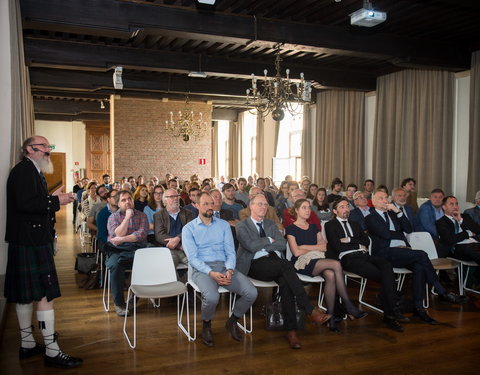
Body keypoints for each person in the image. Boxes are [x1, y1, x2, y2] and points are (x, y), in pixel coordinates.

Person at [5, 135, 82, 368]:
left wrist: (52, 199)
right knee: (44, 295)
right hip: (31, 241)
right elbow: (26, 204)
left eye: (49, 148)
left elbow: (32, 201)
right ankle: (51, 351)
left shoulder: (29, 170)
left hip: (28, 239)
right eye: (44, 148)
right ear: (29, 149)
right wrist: (56, 201)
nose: (48, 151)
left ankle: (28, 345)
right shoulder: (23, 171)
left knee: (25, 294)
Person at [236, 194, 331, 349]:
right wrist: (268, 240)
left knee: (287, 282)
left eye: (266, 204)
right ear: (251, 206)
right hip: (254, 265)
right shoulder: (242, 225)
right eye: (260, 204)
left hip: (274, 262)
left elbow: (281, 244)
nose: (264, 207)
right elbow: (250, 246)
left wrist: (265, 243)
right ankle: (309, 309)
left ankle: (291, 331)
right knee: (286, 266)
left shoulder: (270, 223)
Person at [365, 190, 466, 325]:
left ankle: (418, 308)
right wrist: (399, 234)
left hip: (402, 251)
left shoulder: (393, 214)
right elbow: (385, 235)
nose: (384, 200)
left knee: (419, 266)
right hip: (385, 252)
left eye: (385, 198)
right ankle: (441, 290)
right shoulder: (370, 217)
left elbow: (408, 228)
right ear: (374, 201)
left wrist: (398, 212)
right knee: (421, 254)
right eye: (381, 198)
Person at [182, 192, 257, 347]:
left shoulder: (223, 225)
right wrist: (211, 272)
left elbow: (230, 251)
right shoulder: (188, 229)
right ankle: (207, 324)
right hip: (202, 269)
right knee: (212, 298)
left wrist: (229, 269)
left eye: (211, 203)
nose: (210, 207)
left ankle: (232, 321)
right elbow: (193, 258)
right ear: (196, 206)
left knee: (252, 293)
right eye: (205, 204)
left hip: (223, 267)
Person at [325, 199, 407, 332]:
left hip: (364, 254)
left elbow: (366, 241)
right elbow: (337, 246)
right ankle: (391, 313)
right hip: (348, 258)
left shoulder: (355, 223)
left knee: (386, 265)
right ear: (335, 211)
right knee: (386, 277)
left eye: (347, 206)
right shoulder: (330, 225)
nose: (346, 209)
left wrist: (351, 240)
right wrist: (358, 244)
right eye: (342, 207)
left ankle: (390, 309)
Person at [286, 199, 367, 332]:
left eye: (309, 208)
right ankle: (348, 305)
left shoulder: (314, 227)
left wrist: (305, 246)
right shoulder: (291, 228)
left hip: (318, 259)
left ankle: (331, 318)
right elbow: (296, 251)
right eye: (304, 208)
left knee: (330, 274)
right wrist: (314, 248)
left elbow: (324, 247)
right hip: (302, 263)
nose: (307, 210)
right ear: (296, 210)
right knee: (335, 264)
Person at [106, 190, 149, 316]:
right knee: (115, 265)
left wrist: (123, 239)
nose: (127, 202)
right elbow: (117, 234)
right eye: (123, 200)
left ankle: (134, 298)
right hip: (118, 250)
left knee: (146, 263)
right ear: (118, 204)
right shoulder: (113, 217)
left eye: (129, 199)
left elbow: (140, 235)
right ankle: (119, 303)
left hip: (137, 248)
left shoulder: (142, 216)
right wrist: (127, 217)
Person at [436, 196, 480, 281]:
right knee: (469, 249)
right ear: (444, 207)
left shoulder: (465, 217)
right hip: (457, 249)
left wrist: (460, 220)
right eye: (451, 204)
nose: (455, 207)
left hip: (475, 244)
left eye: (456, 204)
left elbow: (478, 230)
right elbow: (450, 239)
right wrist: (468, 233)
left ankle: (476, 276)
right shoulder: (441, 222)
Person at [154, 188, 194, 272]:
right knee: (168, 268)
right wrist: (179, 245)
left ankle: (186, 284)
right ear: (165, 201)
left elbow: (190, 230)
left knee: (197, 267)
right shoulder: (158, 215)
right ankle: (178, 285)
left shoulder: (188, 213)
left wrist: (178, 238)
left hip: (186, 249)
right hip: (169, 250)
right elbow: (159, 235)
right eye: (172, 197)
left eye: (177, 196)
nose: (176, 198)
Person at [417, 188, 447, 255]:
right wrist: (443, 234)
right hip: (427, 236)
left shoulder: (444, 207)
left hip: (440, 236)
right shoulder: (425, 208)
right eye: (435, 197)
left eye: (440, 197)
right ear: (430, 198)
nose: (437, 199)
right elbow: (428, 226)